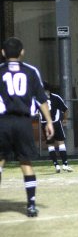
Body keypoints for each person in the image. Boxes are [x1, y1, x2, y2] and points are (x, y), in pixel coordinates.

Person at [0, 37, 54, 217]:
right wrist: (49, 121)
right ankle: (31, 205)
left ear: (2, 53)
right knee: (26, 163)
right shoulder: (31, 72)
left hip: (3, 122)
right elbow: (41, 99)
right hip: (23, 122)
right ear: (22, 52)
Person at [39, 82, 73, 173]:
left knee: (50, 145)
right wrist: (65, 119)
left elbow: (34, 111)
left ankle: (56, 166)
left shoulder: (38, 98)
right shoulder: (56, 97)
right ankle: (65, 165)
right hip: (55, 122)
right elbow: (65, 109)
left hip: (45, 124)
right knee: (61, 143)